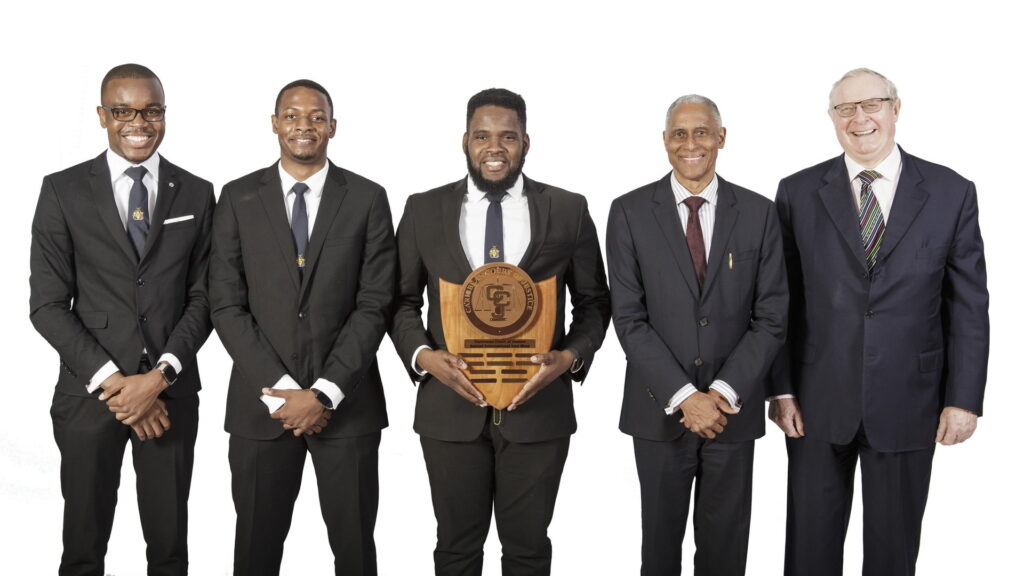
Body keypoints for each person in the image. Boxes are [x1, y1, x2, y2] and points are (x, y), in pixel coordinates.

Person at [770, 68, 989, 576]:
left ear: (895, 108)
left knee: (893, 554)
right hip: (816, 402)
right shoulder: (797, 192)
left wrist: (963, 398)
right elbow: (780, 301)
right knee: (809, 550)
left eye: (871, 104)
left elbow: (968, 304)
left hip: (910, 400)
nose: (859, 118)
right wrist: (780, 389)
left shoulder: (951, 191)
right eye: (845, 108)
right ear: (832, 118)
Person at [390, 88, 611, 576]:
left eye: (507, 137)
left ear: (525, 142)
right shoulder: (423, 209)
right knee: (455, 550)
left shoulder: (568, 209)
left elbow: (594, 303)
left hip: (538, 410)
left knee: (528, 551)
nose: (495, 147)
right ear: (464, 141)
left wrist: (569, 357)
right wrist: (424, 356)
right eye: (482, 136)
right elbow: (401, 302)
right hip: (450, 411)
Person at [30, 63, 214, 576]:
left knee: (169, 549)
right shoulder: (62, 190)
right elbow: (47, 305)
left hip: (170, 396)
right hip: (89, 397)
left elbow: (204, 298)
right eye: (123, 111)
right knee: (83, 548)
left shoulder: (196, 192)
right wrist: (117, 385)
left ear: (164, 114)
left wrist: (157, 380)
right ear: (102, 115)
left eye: (151, 111)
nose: (139, 123)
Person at [210, 79, 395, 575]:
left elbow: (374, 303)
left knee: (355, 552)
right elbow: (226, 305)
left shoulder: (367, 198)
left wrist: (325, 392)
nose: (304, 125)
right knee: (255, 552)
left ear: (333, 126)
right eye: (292, 115)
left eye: (316, 116)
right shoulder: (237, 197)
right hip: (260, 409)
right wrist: (283, 392)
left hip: (348, 408)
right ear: (275, 124)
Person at [607, 95, 787, 576]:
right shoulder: (628, 212)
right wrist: (686, 397)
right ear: (665, 141)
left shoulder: (759, 212)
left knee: (726, 552)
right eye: (680, 134)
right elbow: (629, 319)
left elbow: (772, 316)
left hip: (732, 413)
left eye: (702, 131)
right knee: (659, 551)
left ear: (721, 137)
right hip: (658, 412)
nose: (691, 143)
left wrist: (722, 393)